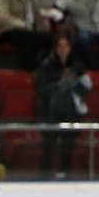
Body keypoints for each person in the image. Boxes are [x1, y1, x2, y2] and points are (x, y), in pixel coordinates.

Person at [34, 30, 90, 179]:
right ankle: (43, 178)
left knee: (67, 150)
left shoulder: (77, 65)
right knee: (50, 149)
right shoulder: (47, 65)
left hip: (70, 112)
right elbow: (42, 90)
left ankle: (67, 178)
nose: (63, 50)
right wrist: (60, 83)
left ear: (70, 48)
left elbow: (85, 88)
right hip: (50, 113)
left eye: (66, 46)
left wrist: (72, 84)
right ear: (56, 48)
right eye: (60, 46)